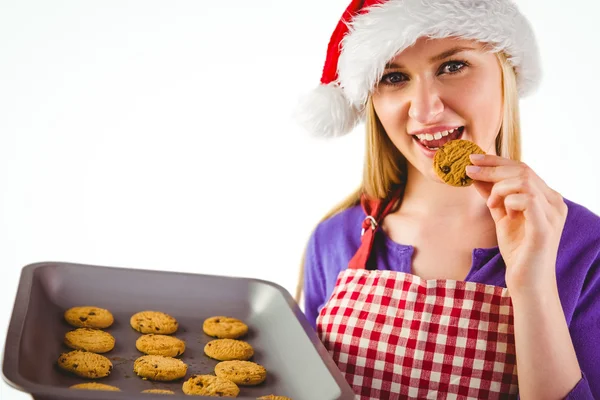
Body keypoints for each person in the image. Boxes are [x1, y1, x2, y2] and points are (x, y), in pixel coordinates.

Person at [293, 0, 600, 399]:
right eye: (393, 77)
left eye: (452, 66)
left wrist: (533, 286)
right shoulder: (335, 238)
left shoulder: (585, 246)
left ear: (506, 72)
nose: (425, 109)